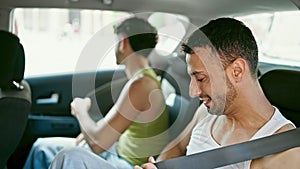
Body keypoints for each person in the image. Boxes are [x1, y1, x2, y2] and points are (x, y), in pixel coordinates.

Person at [134, 17, 300, 169]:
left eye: (200, 78)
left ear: (237, 71)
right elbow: (177, 147)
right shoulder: (208, 113)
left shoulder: (284, 152)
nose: (193, 92)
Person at [23, 17, 169, 169]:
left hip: (129, 164)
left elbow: (98, 144)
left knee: (67, 156)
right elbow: (107, 129)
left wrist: (80, 111)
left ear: (123, 43)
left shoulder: (142, 85)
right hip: (117, 151)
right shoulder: (143, 79)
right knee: (41, 148)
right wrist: (89, 133)